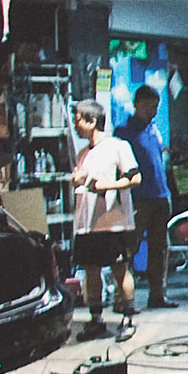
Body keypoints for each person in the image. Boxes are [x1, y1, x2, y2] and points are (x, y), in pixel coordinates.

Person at [70, 99, 142, 341]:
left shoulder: (117, 146)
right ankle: (96, 319)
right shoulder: (83, 154)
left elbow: (135, 178)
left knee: (119, 270)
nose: (76, 126)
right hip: (87, 223)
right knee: (92, 271)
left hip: (113, 222)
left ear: (92, 121)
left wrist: (107, 186)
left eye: (78, 121)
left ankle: (128, 317)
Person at [114, 84, 178, 309]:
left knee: (159, 248)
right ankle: (122, 298)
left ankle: (157, 294)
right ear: (136, 104)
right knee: (129, 247)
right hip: (138, 197)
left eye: (155, 107)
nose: (152, 111)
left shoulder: (154, 130)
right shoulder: (123, 132)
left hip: (160, 195)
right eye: (148, 106)